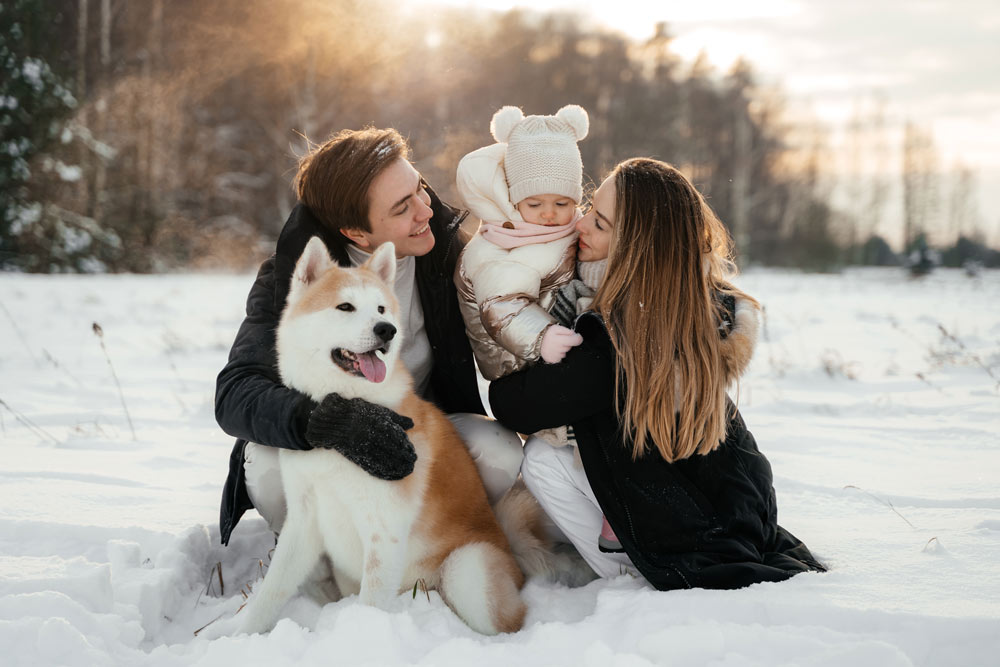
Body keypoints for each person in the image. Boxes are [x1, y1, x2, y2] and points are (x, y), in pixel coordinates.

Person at [489, 158, 826, 589]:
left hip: (689, 538)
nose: (581, 225)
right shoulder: (687, 306)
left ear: (635, 248)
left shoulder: (617, 339)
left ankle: (629, 573)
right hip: (737, 511)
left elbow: (512, 404)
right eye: (591, 208)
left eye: (601, 223)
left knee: (541, 458)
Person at [215, 128, 523, 546]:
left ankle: (423, 541)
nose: (426, 211)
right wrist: (325, 422)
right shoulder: (296, 280)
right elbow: (236, 392)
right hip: (329, 444)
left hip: (416, 433)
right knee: (265, 461)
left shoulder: (447, 255)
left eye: (420, 190)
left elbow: (522, 302)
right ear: (357, 235)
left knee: (499, 448)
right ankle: (314, 552)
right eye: (403, 208)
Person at [453, 104, 590, 381]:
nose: (549, 213)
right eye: (535, 203)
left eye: (562, 202)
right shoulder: (500, 246)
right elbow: (500, 303)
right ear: (514, 201)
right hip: (519, 365)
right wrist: (542, 336)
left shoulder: (575, 227)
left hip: (566, 354)